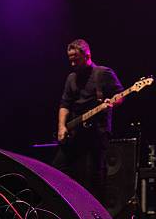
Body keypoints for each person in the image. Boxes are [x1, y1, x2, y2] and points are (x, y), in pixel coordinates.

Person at [52, 39, 123, 202]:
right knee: (57, 171)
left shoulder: (103, 73)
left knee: (94, 179)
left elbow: (120, 96)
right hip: (74, 134)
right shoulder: (71, 78)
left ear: (87, 55)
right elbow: (65, 104)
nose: (72, 63)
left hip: (96, 134)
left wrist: (111, 102)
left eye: (75, 59)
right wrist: (62, 126)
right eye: (70, 59)